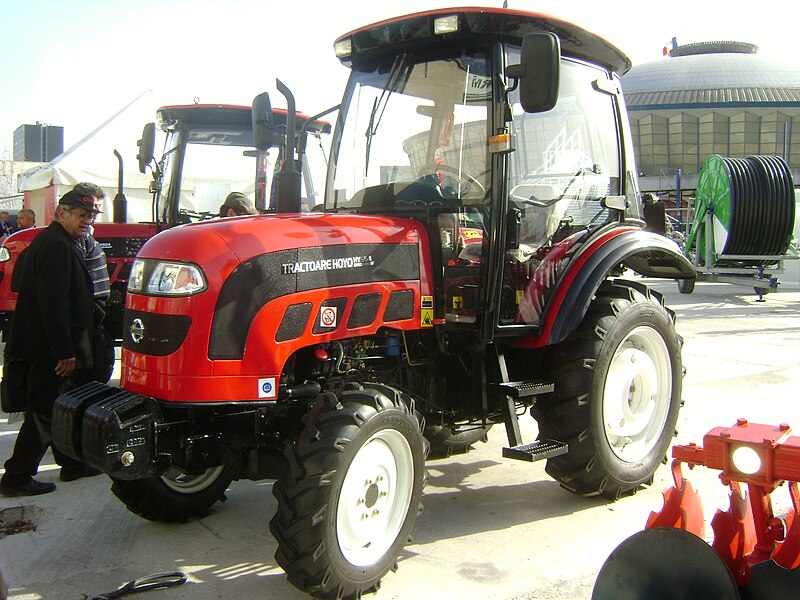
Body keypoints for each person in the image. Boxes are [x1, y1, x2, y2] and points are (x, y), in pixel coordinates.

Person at [0, 188, 104, 497]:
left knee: (60, 407)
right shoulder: (57, 246)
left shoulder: (53, 242)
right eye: (82, 215)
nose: (87, 221)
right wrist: (65, 352)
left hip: (42, 344)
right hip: (47, 349)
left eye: (91, 216)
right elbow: (52, 303)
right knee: (44, 412)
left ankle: (71, 464)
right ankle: (17, 476)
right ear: (61, 213)